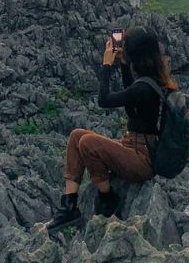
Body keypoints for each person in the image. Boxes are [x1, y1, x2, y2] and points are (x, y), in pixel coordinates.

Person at [45, 25, 180, 233]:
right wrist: (125, 66)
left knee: (87, 143)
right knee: (76, 136)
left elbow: (104, 100)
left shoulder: (145, 88)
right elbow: (131, 107)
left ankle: (108, 198)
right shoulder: (148, 83)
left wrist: (107, 67)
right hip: (133, 150)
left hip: (141, 160)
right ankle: (69, 205)